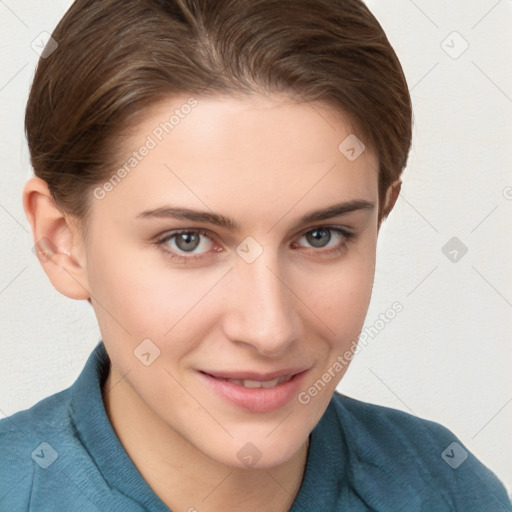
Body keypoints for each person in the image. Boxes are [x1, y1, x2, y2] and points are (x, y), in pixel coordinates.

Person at [1, 0, 510, 510]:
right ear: (61, 241)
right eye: (188, 240)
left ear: (380, 217)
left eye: (321, 236)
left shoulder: (452, 492)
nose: (270, 330)